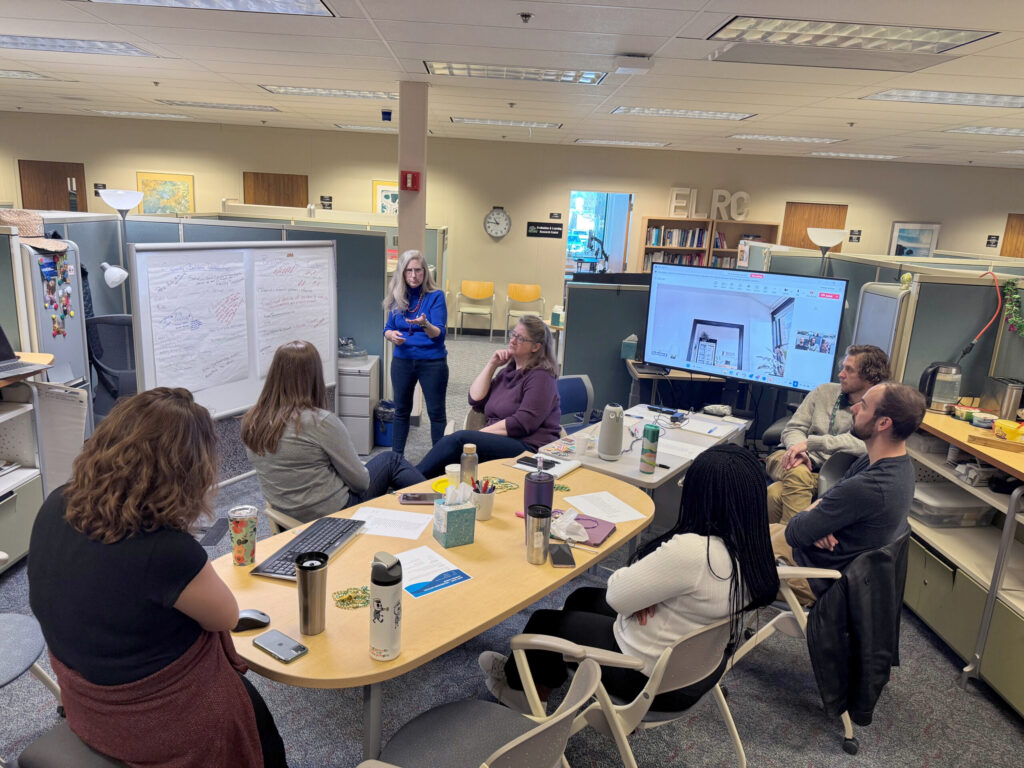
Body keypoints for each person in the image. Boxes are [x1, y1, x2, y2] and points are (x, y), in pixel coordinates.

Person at [27, 388, 287, 767]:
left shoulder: (56, 504)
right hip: (151, 724)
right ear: (185, 473)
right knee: (253, 715)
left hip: (85, 702)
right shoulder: (165, 549)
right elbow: (227, 617)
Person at [478, 444, 779, 714]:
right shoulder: (754, 548)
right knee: (580, 598)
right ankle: (546, 675)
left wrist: (643, 595)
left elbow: (617, 594)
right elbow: (679, 593)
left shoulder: (694, 552)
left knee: (544, 623)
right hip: (699, 670)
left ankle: (521, 695)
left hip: (647, 679)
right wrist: (652, 595)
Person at [772, 381, 926, 605]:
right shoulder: (894, 465)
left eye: (863, 406)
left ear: (883, 423)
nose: (853, 409)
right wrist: (821, 522)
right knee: (747, 529)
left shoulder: (868, 486)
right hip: (813, 557)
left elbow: (795, 531)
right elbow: (830, 495)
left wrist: (816, 522)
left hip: (809, 576)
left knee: (718, 563)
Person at [243, 340, 425, 523]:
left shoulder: (253, 419)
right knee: (391, 460)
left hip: (287, 518)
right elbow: (361, 483)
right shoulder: (319, 421)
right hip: (334, 515)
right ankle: (441, 507)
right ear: (313, 376)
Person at [416, 315, 561, 478]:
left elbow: (522, 422)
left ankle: (411, 479)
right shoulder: (509, 370)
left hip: (528, 448)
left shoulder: (541, 377)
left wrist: (480, 434)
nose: (512, 340)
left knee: (460, 441)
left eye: (520, 338)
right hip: (502, 440)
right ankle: (413, 479)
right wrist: (491, 365)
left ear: (536, 347)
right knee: (456, 449)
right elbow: (476, 400)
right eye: (513, 334)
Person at [766, 344, 890, 524]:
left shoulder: (879, 407)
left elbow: (865, 445)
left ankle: (775, 548)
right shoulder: (824, 391)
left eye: (849, 370)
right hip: (788, 456)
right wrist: (798, 450)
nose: (841, 374)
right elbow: (793, 428)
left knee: (775, 494)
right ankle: (793, 545)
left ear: (869, 377)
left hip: (830, 473)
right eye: (842, 368)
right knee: (798, 473)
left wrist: (812, 443)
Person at [383, 249, 449, 455]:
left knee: (436, 413)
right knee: (401, 411)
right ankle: (396, 460)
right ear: (402, 273)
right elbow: (387, 327)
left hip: (432, 362)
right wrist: (390, 335)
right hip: (403, 361)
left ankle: (439, 461)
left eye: (418, 270)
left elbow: (439, 335)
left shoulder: (435, 297)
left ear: (425, 272)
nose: (414, 275)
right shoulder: (397, 297)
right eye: (409, 270)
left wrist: (425, 324)